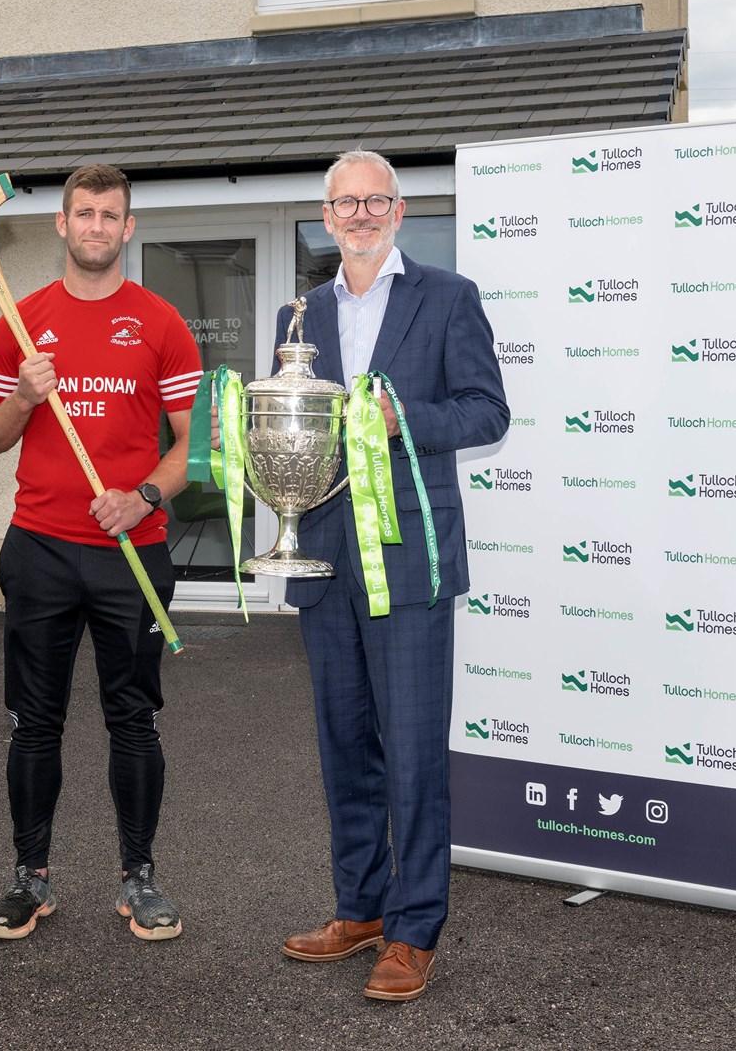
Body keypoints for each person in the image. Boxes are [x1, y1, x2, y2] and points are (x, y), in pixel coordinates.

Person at [275, 150, 508, 1001]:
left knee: (412, 756)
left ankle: (415, 931)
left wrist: (398, 418)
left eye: (376, 201)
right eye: (346, 204)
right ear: (326, 217)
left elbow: (489, 410)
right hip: (325, 558)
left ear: (400, 211)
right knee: (345, 751)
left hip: (410, 560)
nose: (362, 214)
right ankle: (360, 908)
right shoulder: (297, 313)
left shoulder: (448, 298)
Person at [0, 164, 203, 943]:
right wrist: (25, 397)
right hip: (38, 550)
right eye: (84, 213)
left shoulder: (162, 322)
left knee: (133, 720)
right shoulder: (20, 320)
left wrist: (145, 497)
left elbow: (186, 449)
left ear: (127, 228)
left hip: (130, 551)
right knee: (33, 724)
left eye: (111, 215)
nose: (97, 226)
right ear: (62, 226)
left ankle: (140, 878)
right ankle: (29, 877)